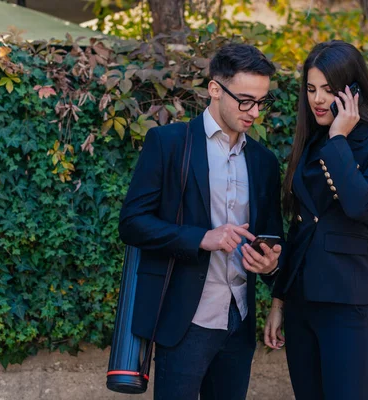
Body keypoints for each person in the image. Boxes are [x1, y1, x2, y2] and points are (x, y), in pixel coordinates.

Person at [118, 43, 284, 400]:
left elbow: (273, 238)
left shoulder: (264, 161)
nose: (254, 111)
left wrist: (271, 263)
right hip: (184, 318)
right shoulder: (168, 142)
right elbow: (131, 223)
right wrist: (201, 238)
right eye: (244, 100)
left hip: (238, 320)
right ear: (214, 88)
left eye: (261, 102)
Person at [264, 40, 368, 400]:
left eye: (328, 90)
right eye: (311, 89)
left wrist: (339, 138)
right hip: (302, 302)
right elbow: (300, 228)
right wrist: (279, 301)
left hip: (349, 302)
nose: (316, 99)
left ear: (352, 91)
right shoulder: (311, 142)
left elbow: (364, 206)